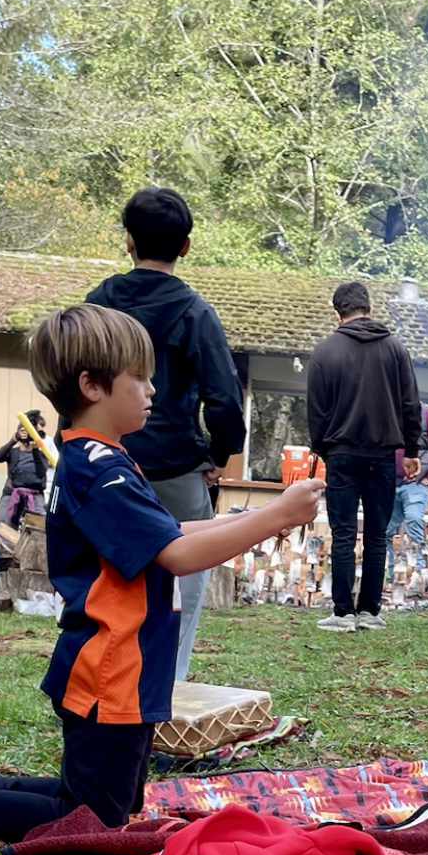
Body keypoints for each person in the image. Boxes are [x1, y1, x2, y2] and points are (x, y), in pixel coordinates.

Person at [0, 305, 322, 842]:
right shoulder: (100, 468)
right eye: (139, 377)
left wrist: (255, 517)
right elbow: (176, 556)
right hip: (110, 667)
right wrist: (276, 516)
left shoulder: (101, 459)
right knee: (95, 824)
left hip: (126, 666)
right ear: (92, 385)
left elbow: (168, 534)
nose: (152, 390)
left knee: (105, 802)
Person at [86, 187, 247, 682]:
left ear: (129, 242)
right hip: (175, 465)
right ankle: (167, 685)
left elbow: (69, 374)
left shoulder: (98, 306)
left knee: (101, 576)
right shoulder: (195, 312)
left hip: (104, 458)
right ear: (186, 247)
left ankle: (101, 681)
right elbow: (223, 395)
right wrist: (220, 454)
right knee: (185, 577)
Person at [306, 281, 422, 632]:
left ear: (336, 311)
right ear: (368, 308)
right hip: (383, 453)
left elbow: (317, 409)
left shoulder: (325, 351)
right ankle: (370, 611)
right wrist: (412, 449)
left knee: (343, 533)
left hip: (341, 452)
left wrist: (322, 447)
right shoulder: (395, 349)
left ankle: (342, 613)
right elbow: (410, 403)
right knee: (377, 534)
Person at [385, 403, 428, 557]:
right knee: (386, 530)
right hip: (389, 483)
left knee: (414, 521)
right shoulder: (386, 408)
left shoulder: (426, 413)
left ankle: (419, 572)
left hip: (416, 483)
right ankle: (389, 573)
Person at [0, 412, 49, 526]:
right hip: (12, 493)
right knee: (4, 525)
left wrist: (35, 448)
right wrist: (13, 440)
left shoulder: (41, 454)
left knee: (39, 526)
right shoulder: (13, 452)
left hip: (35, 495)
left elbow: (41, 472)